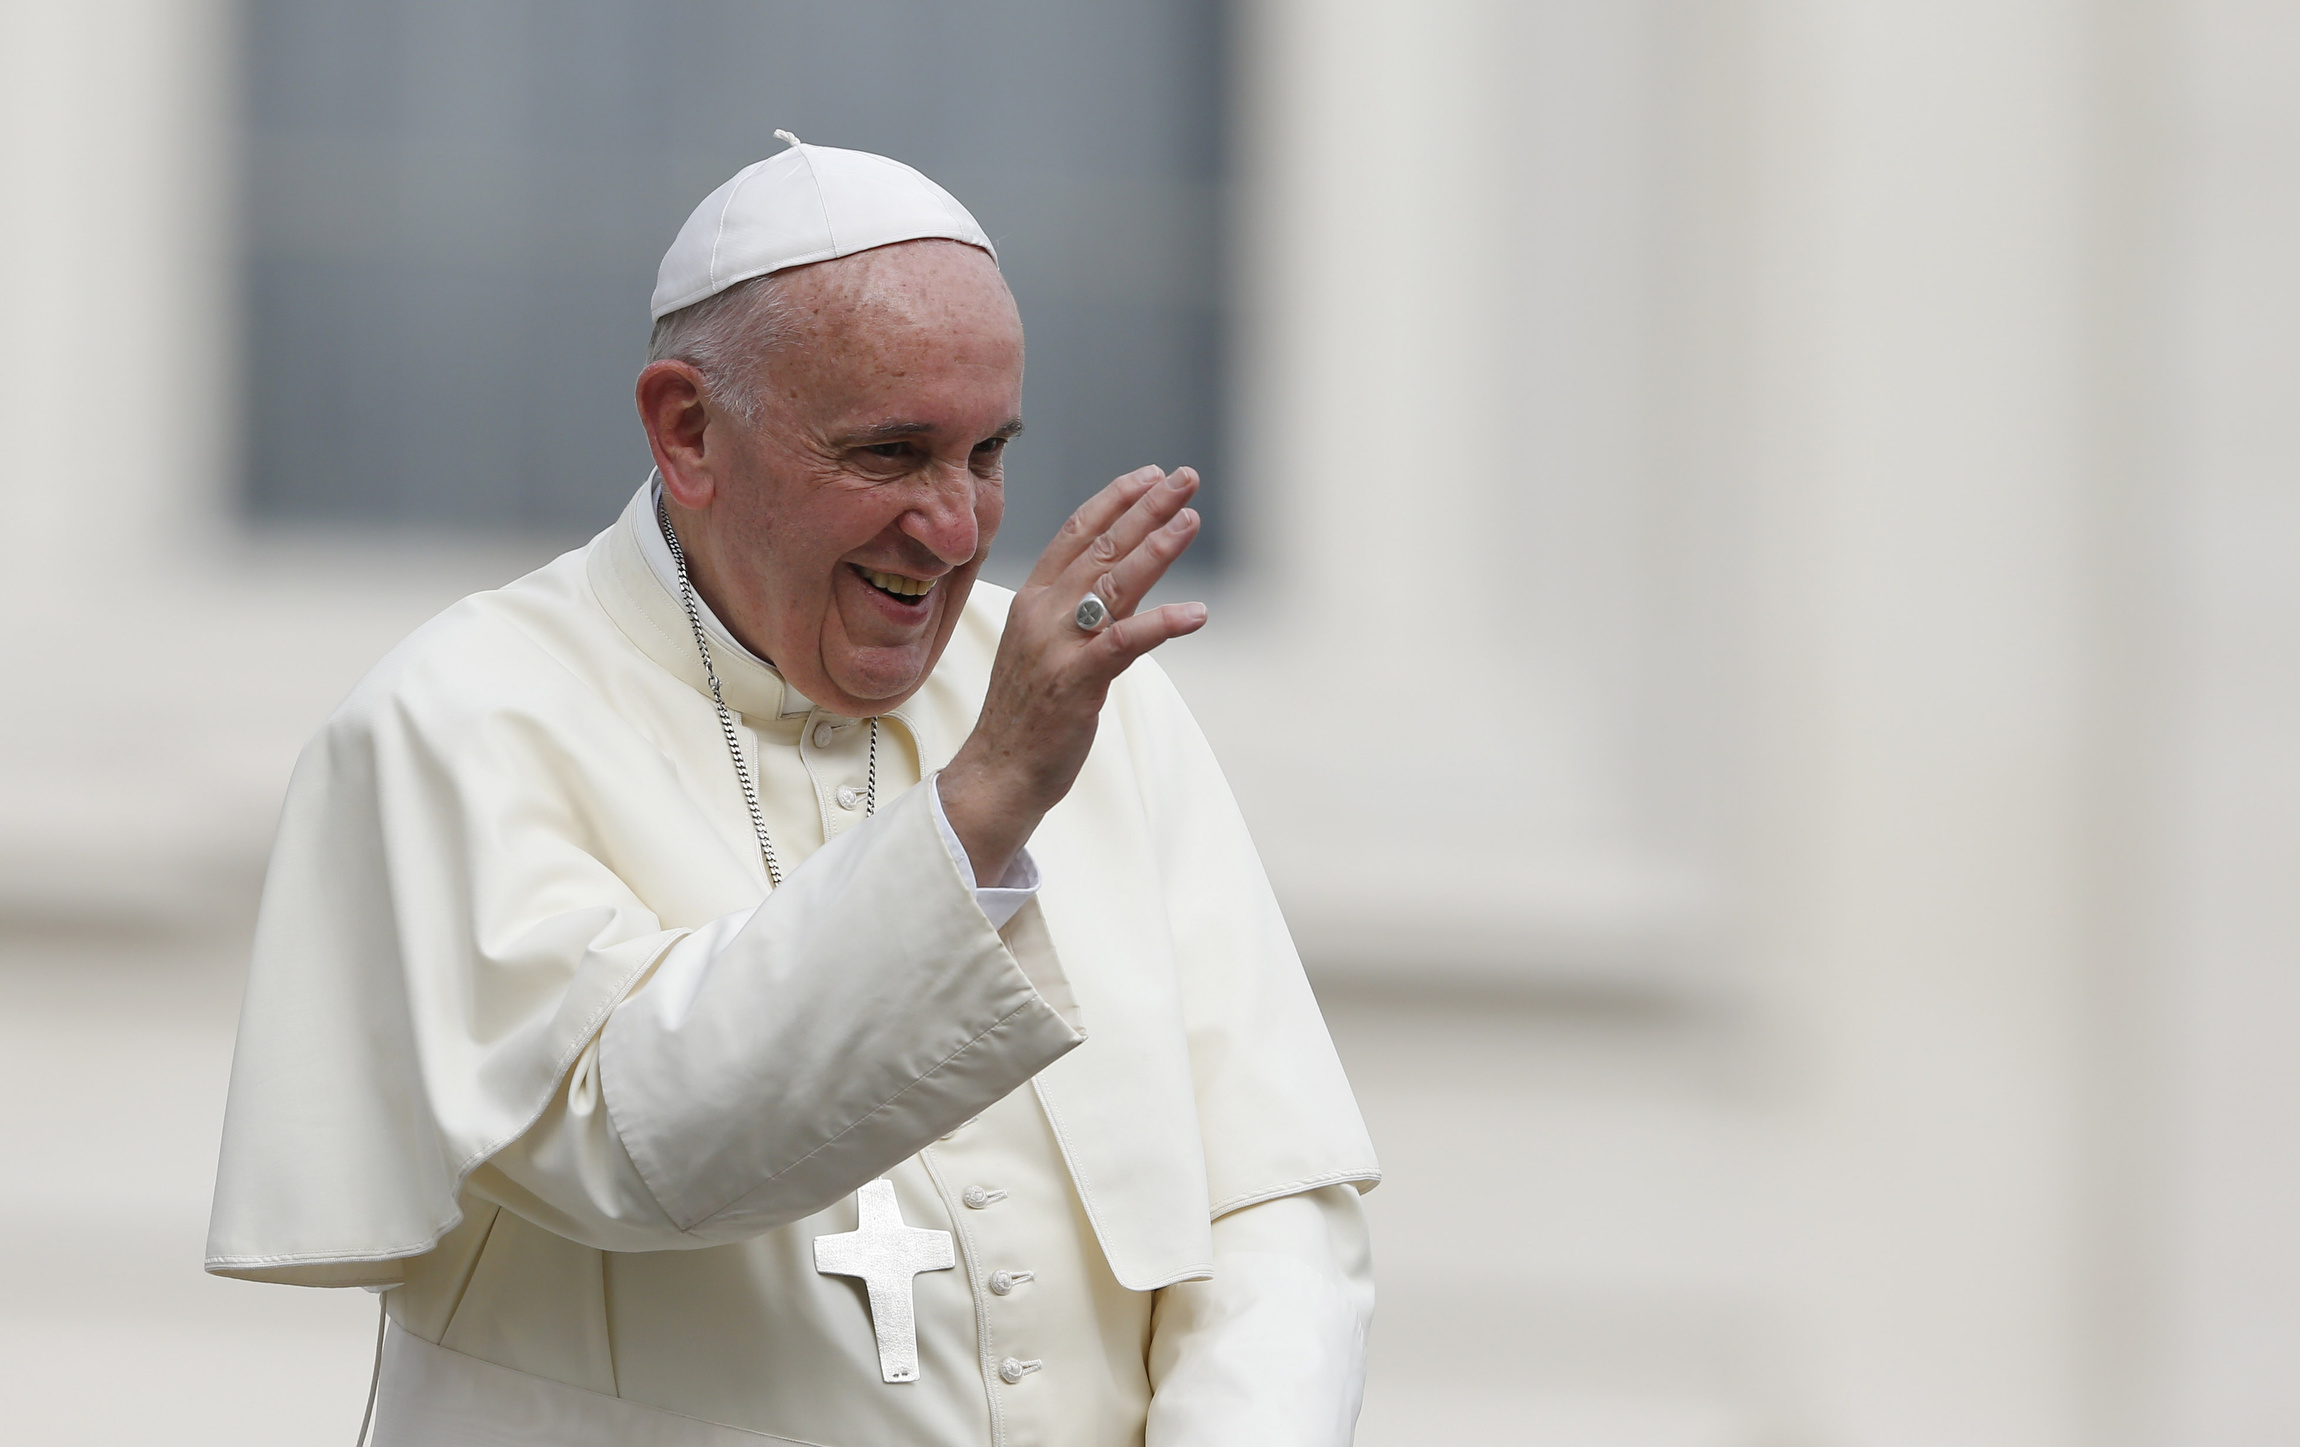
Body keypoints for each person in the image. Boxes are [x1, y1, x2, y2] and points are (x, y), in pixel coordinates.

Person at [208, 135, 1378, 1447]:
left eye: (986, 454)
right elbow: (631, 1144)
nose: (953, 528)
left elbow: (1273, 1212)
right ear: (689, 431)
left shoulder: (1105, 705)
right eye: (890, 455)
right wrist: (983, 803)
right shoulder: (464, 720)